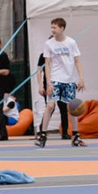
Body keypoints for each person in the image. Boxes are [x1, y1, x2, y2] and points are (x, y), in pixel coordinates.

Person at [33, 18, 85, 148]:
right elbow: (47, 64)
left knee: (72, 108)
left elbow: (77, 60)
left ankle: (75, 135)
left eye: (54, 27)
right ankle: (43, 135)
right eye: (51, 28)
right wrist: (48, 83)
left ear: (62, 28)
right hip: (55, 79)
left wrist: (81, 78)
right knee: (50, 106)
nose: (52, 30)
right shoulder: (49, 44)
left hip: (69, 80)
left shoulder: (71, 42)